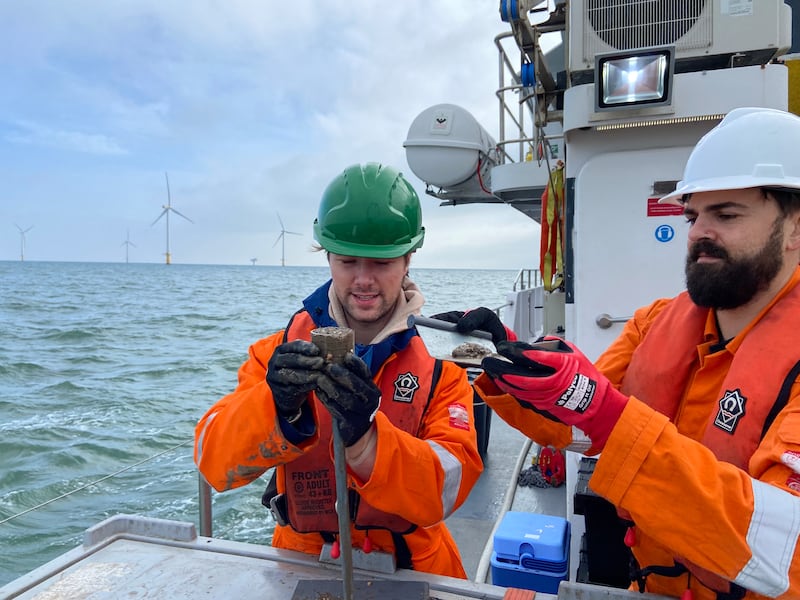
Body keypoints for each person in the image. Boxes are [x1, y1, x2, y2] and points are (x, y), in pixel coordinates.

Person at [454, 107, 800, 599]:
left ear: (794, 230)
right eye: (694, 215)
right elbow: (583, 430)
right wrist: (519, 369)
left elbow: (787, 551)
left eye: (726, 214)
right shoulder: (654, 322)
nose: (700, 231)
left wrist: (612, 420)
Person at [194, 162, 483, 578]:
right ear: (327, 257)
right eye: (348, 261)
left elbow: (446, 491)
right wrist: (278, 408)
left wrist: (366, 442)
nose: (363, 280)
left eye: (381, 263)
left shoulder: (441, 369)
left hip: (414, 565)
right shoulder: (275, 353)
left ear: (407, 260)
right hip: (301, 558)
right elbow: (212, 460)